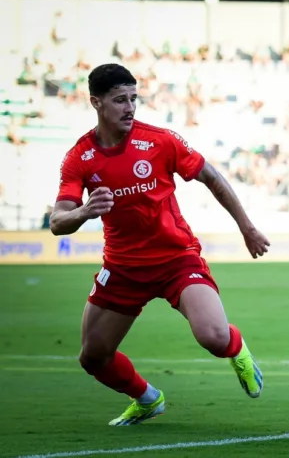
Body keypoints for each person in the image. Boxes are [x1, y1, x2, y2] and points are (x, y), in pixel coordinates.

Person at [50, 64, 270, 426]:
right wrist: (86, 211)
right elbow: (58, 221)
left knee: (213, 337)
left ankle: (237, 349)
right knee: (93, 357)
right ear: (96, 103)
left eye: (134, 98)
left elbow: (211, 176)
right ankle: (148, 398)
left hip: (176, 260)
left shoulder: (159, 140)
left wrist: (247, 227)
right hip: (122, 269)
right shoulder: (79, 158)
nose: (130, 107)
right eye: (120, 100)